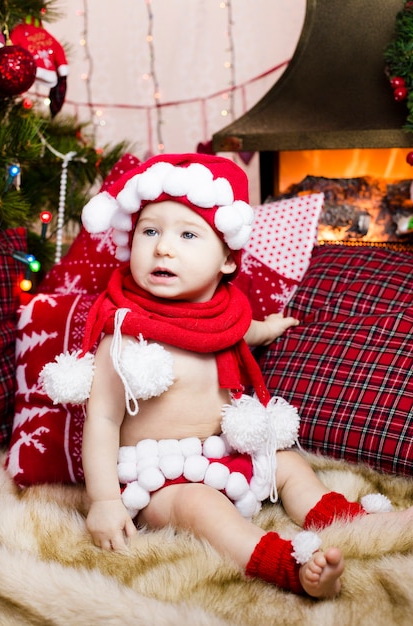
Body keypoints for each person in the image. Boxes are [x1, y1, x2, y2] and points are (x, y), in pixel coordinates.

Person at [41, 153, 398, 598]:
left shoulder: (225, 315)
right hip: (161, 478)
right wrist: (104, 502)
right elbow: (103, 420)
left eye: (188, 234)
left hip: (228, 451)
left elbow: (243, 331)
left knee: (287, 463)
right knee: (200, 506)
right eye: (149, 231)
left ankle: (339, 515)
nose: (163, 247)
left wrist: (272, 327)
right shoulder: (126, 332)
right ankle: (282, 563)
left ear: (227, 259)